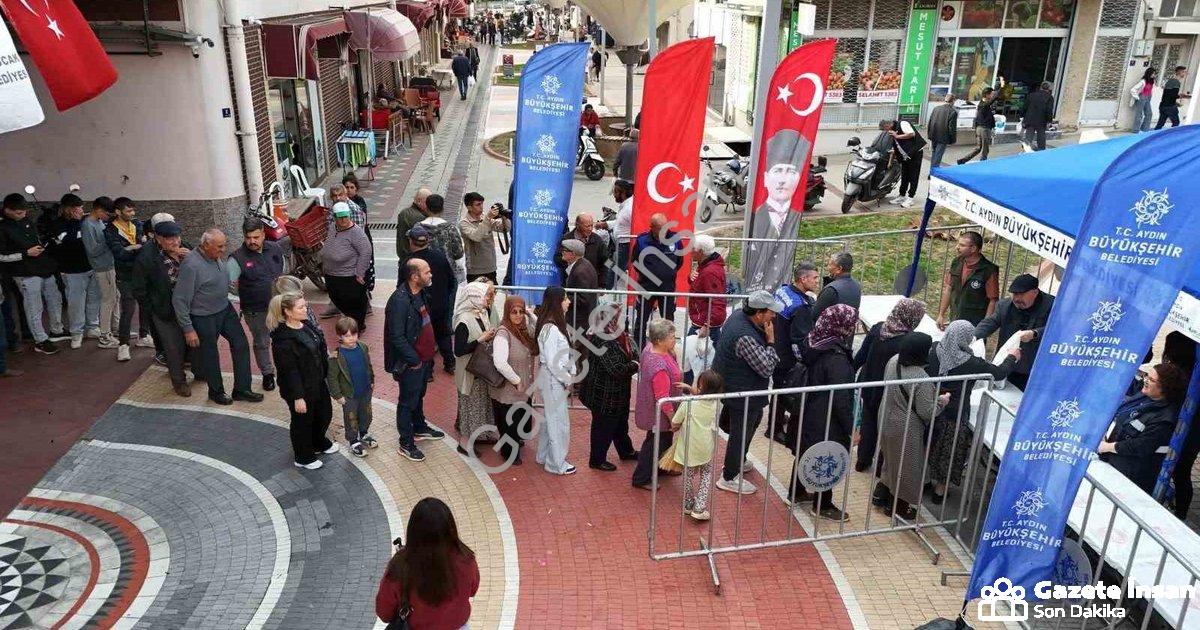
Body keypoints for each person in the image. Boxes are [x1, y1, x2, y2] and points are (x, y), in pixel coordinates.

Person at [926, 320, 1019, 501]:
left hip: (930, 408)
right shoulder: (971, 362)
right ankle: (940, 492)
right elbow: (999, 373)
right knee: (949, 454)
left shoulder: (935, 349)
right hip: (955, 414)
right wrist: (1012, 357)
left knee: (930, 447)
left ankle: (925, 481)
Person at [173, 229, 263, 405]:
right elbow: (179, 299)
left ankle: (242, 389)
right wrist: (188, 328)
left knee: (241, 344)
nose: (223, 250)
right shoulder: (191, 265)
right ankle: (216, 392)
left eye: (224, 245)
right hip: (203, 316)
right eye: (219, 247)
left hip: (224, 309)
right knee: (211, 354)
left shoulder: (213, 255)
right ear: (206, 245)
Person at [792, 304, 858, 521]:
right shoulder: (836, 357)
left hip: (810, 410)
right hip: (827, 417)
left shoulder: (816, 341)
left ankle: (797, 491)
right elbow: (841, 398)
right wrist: (851, 428)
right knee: (826, 455)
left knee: (807, 450)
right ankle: (823, 504)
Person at [712, 291, 782, 495]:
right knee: (740, 433)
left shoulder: (737, 316)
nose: (774, 317)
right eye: (771, 313)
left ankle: (739, 459)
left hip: (737, 387)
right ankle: (728, 476)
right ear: (759, 314)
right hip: (742, 391)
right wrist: (770, 341)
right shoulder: (746, 337)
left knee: (753, 419)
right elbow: (767, 367)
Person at [375, 497, 480, 629]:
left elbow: (384, 613)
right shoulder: (466, 559)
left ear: (413, 530)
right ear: (450, 527)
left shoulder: (400, 566)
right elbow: (472, 590)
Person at [876, 333, 948, 520]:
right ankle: (899, 507)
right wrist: (941, 401)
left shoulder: (893, 361)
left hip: (885, 417)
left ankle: (880, 494)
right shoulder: (920, 377)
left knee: (890, 459)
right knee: (907, 468)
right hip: (905, 428)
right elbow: (926, 412)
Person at [853, 297, 926, 472]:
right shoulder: (907, 342)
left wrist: (851, 373)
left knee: (868, 422)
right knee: (885, 427)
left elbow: (862, 355)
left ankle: (862, 460)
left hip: (869, 383)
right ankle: (880, 466)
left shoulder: (879, 328)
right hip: (888, 390)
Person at [385, 258, 447, 462]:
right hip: (413, 362)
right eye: (427, 272)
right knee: (407, 402)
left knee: (418, 395)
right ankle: (406, 442)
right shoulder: (399, 301)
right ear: (414, 277)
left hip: (424, 359)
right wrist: (414, 360)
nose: (431, 275)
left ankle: (419, 427)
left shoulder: (420, 293)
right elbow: (397, 336)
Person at [267, 292, 334, 469]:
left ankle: (318, 442)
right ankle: (303, 457)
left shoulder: (306, 325)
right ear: (288, 312)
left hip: (317, 381)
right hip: (300, 389)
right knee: (302, 422)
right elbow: (289, 371)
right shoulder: (283, 340)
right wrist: (298, 397)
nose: (306, 309)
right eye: (301, 307)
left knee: (324, 414)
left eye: (305, 305)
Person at [1099, 362, 1188, 494]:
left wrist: (1107, 447)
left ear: (1165, 387)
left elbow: (1141, 446)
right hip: (1111, 462)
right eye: (1146, 376)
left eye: (1151, 379)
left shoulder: (1165, 419)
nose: (1145, 380)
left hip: (1128, 477)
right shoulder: (1145, 396)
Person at [131, 221, 192, 397]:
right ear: (158, 238)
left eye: (177, 237)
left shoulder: (186, 248)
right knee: (172, 347)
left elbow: (202, 264)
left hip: (188, 307)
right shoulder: (147, 257)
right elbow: (139, 289)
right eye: (170, 239)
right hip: (164, 310)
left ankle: (199, 372)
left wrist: (192, 258)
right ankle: (179, 382)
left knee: (194, 342)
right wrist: (154, 308)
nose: (176, 242)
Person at [745, 129, 810, 291]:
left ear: (798, 179)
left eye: (791, 171)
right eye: (778, 170)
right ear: (766, 178)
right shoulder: (755, 218)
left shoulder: (795, 217)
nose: (782, 180)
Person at [0, 193, 65, 355]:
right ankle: (40, 340)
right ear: (7, 210)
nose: (22, 215)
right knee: (33, 306)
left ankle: (57, 330)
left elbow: (36, 240)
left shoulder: (27, 221)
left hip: (43, 267)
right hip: (23, 272)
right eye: (18, 213)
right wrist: (25, 253)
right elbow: (1, 256)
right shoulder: (2, 228)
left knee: (54, 298)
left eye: (24, 212)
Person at [579, 302, 639, 471]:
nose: (618, 319)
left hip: (617, 392)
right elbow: (617, 369)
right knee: (603, 427)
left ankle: (626, 451)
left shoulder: (615, 334)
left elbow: (633, 351)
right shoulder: (602, 339)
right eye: (615, 316)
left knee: (620, 424)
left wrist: (633, 359)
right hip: (604, 394)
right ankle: (597, 460)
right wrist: (635, 364)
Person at [631, 317, 687, 489]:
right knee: (655, 442)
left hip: (657, 410)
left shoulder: (652, 349)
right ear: (660, 340)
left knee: (663, 439)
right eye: (671, 337)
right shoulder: (658, 365)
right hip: (659, 413)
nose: (674, 340)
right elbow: (662, 398)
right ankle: (641, 478)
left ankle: (662, 466)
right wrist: (672, 418)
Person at [973, 273, 1054, 391]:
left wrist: (1035, 333)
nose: (1017, 299)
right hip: (1008, 364)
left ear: (1035, 292)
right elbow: (990, 322)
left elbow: (1058, 329)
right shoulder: (1005, 305)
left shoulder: (1052, 306)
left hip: (1035, 368)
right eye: (1015, 294)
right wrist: (974, 336)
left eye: (1021, 295)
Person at [231, 218, 285, 392]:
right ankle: (268, 374)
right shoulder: (237, 258)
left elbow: (282, 270)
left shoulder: (275, 248)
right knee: (262, 342)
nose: (252, 241)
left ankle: (285, 369)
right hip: (255, 310)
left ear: (263, 234)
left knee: (283, 340)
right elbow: (229, 284)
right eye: (248, 238)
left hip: (279, 306)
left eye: (256, 237)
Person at [770, 261, 820, 446]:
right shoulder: (799, 306)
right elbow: (798, 339)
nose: (817, 281)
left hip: (775, 347)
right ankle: (774, 429)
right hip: (785, 357)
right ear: (802, 279)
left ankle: (776, 420)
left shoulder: (784, 291)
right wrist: (804, 360)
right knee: (783, 392)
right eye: (814, 277)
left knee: (778, 389)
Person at [105, 198, 155, 361]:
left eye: (133, 210)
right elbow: (119, 253)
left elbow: (144, 245)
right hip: (125, 275)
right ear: (118, 212)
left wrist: (132, 248)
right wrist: (135, 248)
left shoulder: (137, 225)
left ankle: (143, 336)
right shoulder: (110, 230)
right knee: (128, 309)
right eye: (128, 211)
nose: (132, 214)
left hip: (142, 272)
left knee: (145, 305)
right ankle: (123, 345)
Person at [534, 286, 577, 475]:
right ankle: (556, 463)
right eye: (565, 298)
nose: (568, 302)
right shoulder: (551, 328)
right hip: (553, 380)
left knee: (549, 421)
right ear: (557, 302)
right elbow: (553, 361)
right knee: (558, 422)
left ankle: (544, 456)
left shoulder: (550, 325)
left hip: (551, 378)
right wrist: (567, 379)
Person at [453, 281, 499, 454]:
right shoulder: (463, 320)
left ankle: (482, 434)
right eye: (486, 295)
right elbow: (458, 350)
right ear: (475, 297)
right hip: (468, 373)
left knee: (481, 405)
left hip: (480, 370)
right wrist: (482, 338)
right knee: (469, 407)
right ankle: (464, 443)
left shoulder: (481, 314)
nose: (489, 299)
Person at [490, 294, 537, 465]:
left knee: (520, 422)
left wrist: (530, 314)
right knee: (509, 424)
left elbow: (538, 329)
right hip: (508, 390)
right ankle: (509, 454)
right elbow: (500, 363)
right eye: (513, 312)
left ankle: (515, 444)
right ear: (506, 313)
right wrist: (516, 380)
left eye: (521, 311)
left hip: (523, 389)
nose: (518, 315)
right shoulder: (503, 333)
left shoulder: (525, 330)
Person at [672, 370, 723, 522]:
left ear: (700, 386)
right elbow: (704, 395)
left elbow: (675, 422)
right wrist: (690, 388)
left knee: (688, 475)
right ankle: (699, 507)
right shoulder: (715, 403)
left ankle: (688, 504)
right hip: (705, 446)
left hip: (687, 446)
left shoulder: (688, 403)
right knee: (706, 474)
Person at [405, 225, 457, 375]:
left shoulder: (409, 262)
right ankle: (450, 363)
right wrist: (445, 297)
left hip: (420, 307)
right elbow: (452, 280)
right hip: (441, 304)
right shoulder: (440, 256)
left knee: (424, 338)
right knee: (443, 334)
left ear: (411, 241)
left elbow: (402, 287)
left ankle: (428, 371)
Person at [47, 194, 95, 349]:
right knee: (76, 303)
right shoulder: (58, 224)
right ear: (69, 209)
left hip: (90, 266)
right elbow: (68, 240)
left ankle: (92, 326)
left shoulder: (86, 221)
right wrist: (76, 226)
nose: (81, 211)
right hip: (72, 269)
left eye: (81, 207)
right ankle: (76, 333)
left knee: (93, 299)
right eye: (78, 208)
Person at [327, 317, 378, 458]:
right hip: (349, 395)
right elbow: (332, 378)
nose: (351, 339)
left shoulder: (362, 347)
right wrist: (337, 396)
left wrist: (371, 380)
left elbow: (368, 365)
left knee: (366, 414)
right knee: (351, 418)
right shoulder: (336, 357)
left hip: (365, 390)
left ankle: (364, 433)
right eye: (347, 336)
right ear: (340, 336)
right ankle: (353, 441)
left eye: (354, 335)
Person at [630, 212, 683, 345]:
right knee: (641, 320)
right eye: (660, 228)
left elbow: (679, 261)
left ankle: (668, 350)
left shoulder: (675, 239)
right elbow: (635, 261)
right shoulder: (642, 240)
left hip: (667, 288)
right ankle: (639, 351)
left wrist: (667, 274)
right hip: (646, 287)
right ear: (652, 227)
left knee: (668, 321)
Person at [322, 203, 372, 334]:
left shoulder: (356, 233)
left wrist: (360, 273)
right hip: (332, 274)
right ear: (334, 218)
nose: (344, 220)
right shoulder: (334, 227)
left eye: (346, 216)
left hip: (348, 276)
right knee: (336, 298)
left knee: (354, 305)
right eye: (340, 217)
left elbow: (366, 252)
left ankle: (357, 328)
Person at [936, 231, 998, 328]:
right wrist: (941, 314)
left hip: (974, 323)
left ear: (973, 248)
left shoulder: (989, 270)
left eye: (962, 245)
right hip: (955, 318)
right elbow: (948, 289)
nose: (957, 247)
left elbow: (993, 300)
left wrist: (984, 325)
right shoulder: (956, 262)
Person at [83, 196, 119, 349]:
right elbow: (92, 250)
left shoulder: (99, 222)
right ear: (98, 210)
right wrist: (109, 239)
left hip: (109, 264)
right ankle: (104, 336)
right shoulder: (88, 225)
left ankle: (116, 328)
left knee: (116, 297)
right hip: (102, 267)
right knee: (107, 300)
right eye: (107, 214)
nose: (107, 218)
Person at [419, 194, 466, 284]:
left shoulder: (418, 228)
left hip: (423, 273)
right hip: (446, 273)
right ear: (442, 208)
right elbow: (458, 253)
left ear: (426, 208)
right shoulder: (450, 228)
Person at [688, 234, 727, 341]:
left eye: (693, 248)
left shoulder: (710, 272)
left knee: (690, 354)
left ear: (701, 252)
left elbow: (717, 300)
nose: (690, 250)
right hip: (704, 321)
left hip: (704, 325)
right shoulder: (705, 265)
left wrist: (707, 325)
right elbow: (700, 286)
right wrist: (691, 278)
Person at [597, 179, 634, 288]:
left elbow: (635, 225)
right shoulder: (625, 205)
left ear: (622, 193)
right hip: (619, 243)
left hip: (626, 244)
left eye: (615, 192)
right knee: (612, 265)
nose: (613, 195)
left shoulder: (630, 209)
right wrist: (605, 224)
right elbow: (620, 221)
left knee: (616, 269)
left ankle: (606, 290)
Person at [460, 192, 503, 283]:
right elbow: (476, 237)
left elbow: (505, 228)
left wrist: (505, 217)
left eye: (482, 203)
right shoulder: (464, 223)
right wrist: (487, 218)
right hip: (475, 270)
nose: (481, 206)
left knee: (492, 295)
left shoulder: (485, 218)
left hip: (490, 267)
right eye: (478, 204)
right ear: (469, 207)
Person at [554, 212, 606, 281]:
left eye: (591, 225)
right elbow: (557, 259)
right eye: (587, 226)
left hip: (591, 283)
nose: (590, 229)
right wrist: (569, 260)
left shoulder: (597, 240)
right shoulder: (566, 239)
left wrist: (602, 283)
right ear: (577, 225)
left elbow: (606, 262)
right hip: (570, 282)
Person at [559, 239, 598, 332]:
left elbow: (583, 299)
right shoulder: (581, 265)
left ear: (573, 254)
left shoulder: (581, 271)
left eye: (564, 250)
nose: (562, 252)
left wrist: (563, 298)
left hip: (580, 321)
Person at [888, 118, 926, 208]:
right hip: (905, 155)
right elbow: (895, 147)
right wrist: (890, 162)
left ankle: (910, 198)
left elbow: (911, 134)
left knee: (913, 176)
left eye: (886, 128)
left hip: (915, 153)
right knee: (904, 175)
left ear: (889, 124)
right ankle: (902, 195)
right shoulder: (892, 131)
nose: (886, 131)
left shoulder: (903, 123)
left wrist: (897, 136)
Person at [958, 88, 999, 164]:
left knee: (978, 148)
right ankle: (982, 164)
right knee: (985, 149)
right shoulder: (984, 104)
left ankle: (963, 160)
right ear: (987, 95)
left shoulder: (982, 104)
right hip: (984, 129)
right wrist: (1001, 88)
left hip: (980, 129)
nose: (992, 96)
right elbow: (991, 101)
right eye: (992, 94)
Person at [814, 252, 861, 317]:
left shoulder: (831, 290)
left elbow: (815, 314)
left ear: (839, 269)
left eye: (830, 265)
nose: (828, 268)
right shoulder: (857, 286)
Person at [396, 188, 432, 258]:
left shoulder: (404, 212)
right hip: (413, 258)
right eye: (427, 202)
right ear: (419, 201)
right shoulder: (419, 218)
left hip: (404, 256)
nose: (429, 205)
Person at [926, 92, 958, 168]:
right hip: (943, 137)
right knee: (938, 155)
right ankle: (933, 173)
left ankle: (932, 171)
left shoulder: (936, 108)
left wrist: (929, 134)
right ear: (953, 101)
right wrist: (952, 140)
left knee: (934, 153)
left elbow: (930, 122)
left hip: (933, 134)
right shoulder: (953, 112)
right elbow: (951, 128)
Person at [1022, 81, 1055, 150]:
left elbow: (1025, 107)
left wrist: (1023, 117)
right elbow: (1049, 110)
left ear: (1041, 87)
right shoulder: (1049, 97)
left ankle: (1026, 149)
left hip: (1030, 118)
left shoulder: (1031, 95)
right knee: (1041, 135)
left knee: (1029, 135)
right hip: (1041, 120)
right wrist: (1049, 121)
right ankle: (1041, 150)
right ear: (1049, 89)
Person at [1130, 68, 1158, 133]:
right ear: (1149, 73)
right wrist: (1137, 98)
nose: (1154, 75)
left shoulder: (1152, 81)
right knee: (1139, 114)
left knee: (1149, 114)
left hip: (1148, 98)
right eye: (1153, 73)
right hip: (1142, 97)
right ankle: (1136, 130)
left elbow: (1151, 90)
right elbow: (1133, 89)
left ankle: (1144, 129)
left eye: (1154, 74)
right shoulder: (1143, 81)